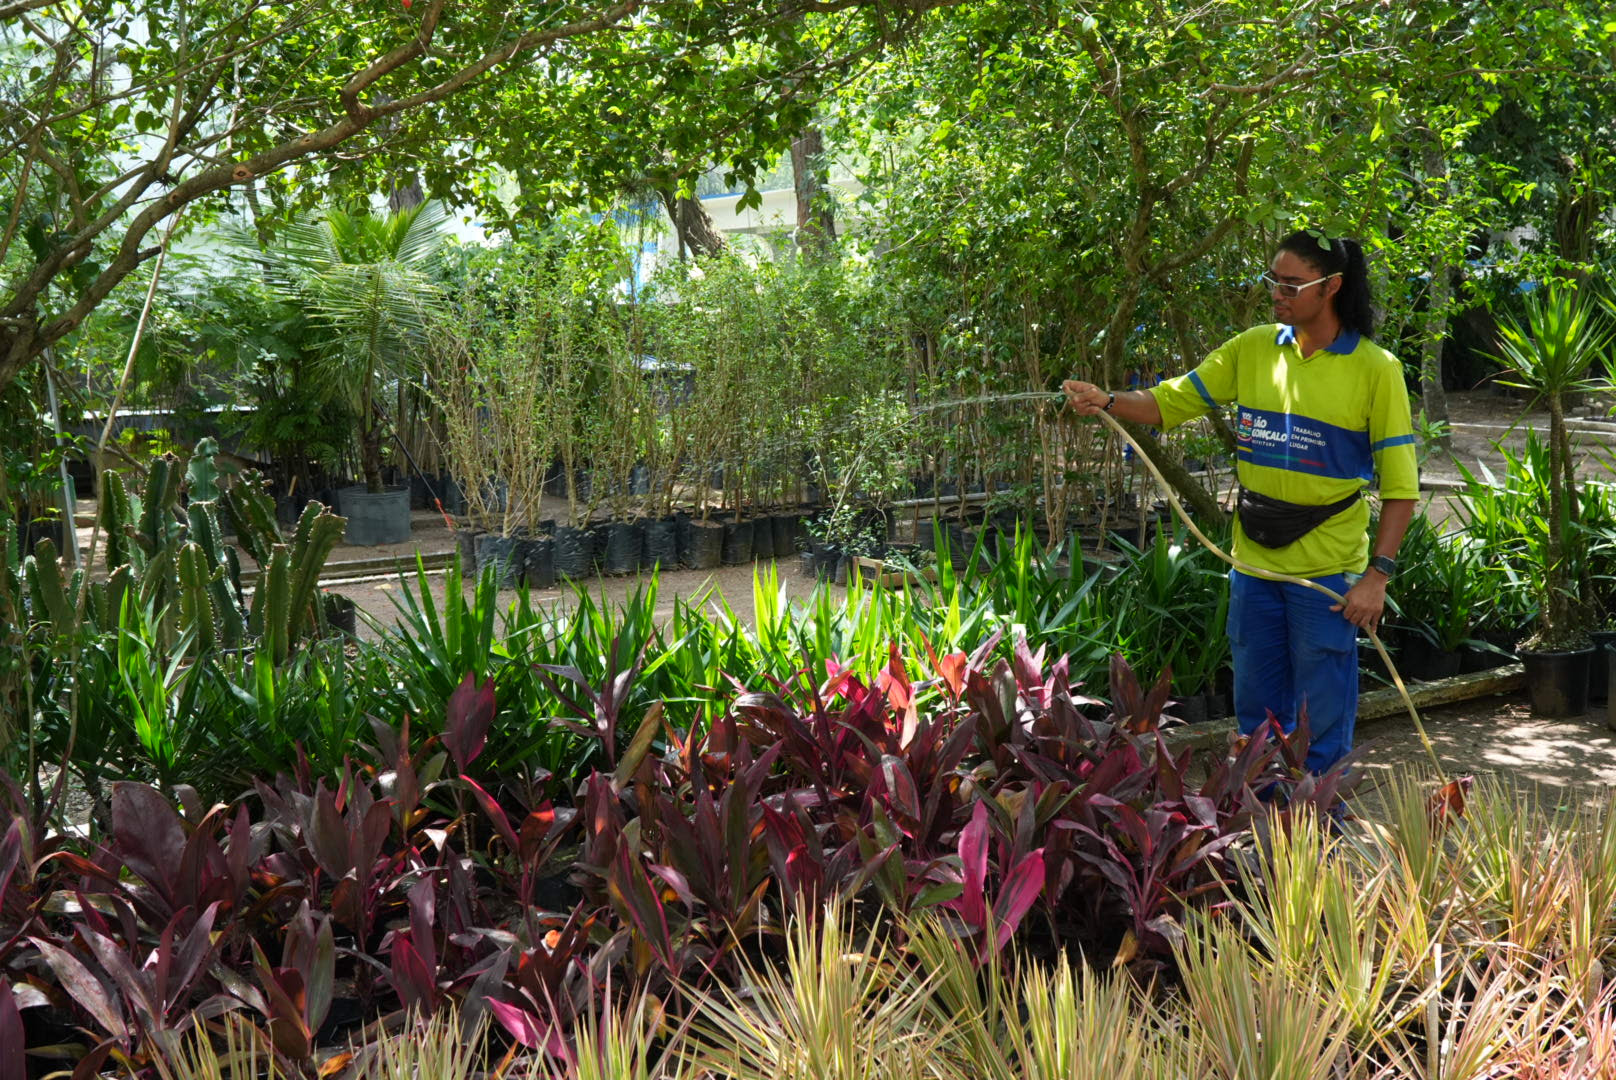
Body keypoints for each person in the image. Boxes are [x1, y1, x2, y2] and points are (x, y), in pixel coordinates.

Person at [1062, 231, 1419, 773]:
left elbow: (1401, 488)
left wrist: (1377, 577)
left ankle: (1316, 835)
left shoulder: (1376, 369)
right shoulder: (1253, 348)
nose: (1278, 292)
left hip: (1326, 575)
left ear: (1333, 287)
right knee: (1256, 715)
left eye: (1293, 283)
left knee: (1319, 717)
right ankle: (1261, 825)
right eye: (1273, 279)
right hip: (1252, 566)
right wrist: (1108, 399)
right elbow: (1169, 401)